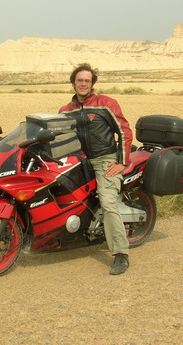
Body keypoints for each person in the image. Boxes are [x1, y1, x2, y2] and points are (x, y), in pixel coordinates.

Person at [59, 63, 133, 275]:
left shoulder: (105, 104)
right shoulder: (66, 110)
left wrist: (121, 162)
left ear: (92, 84)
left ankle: (121, 254)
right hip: (79, 161)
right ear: (73, 82)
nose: (83, 84)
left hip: (105, 160)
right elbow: (57, 137)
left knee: (108, 201)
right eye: (79, 80)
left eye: (87, 81)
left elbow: (124, 132)